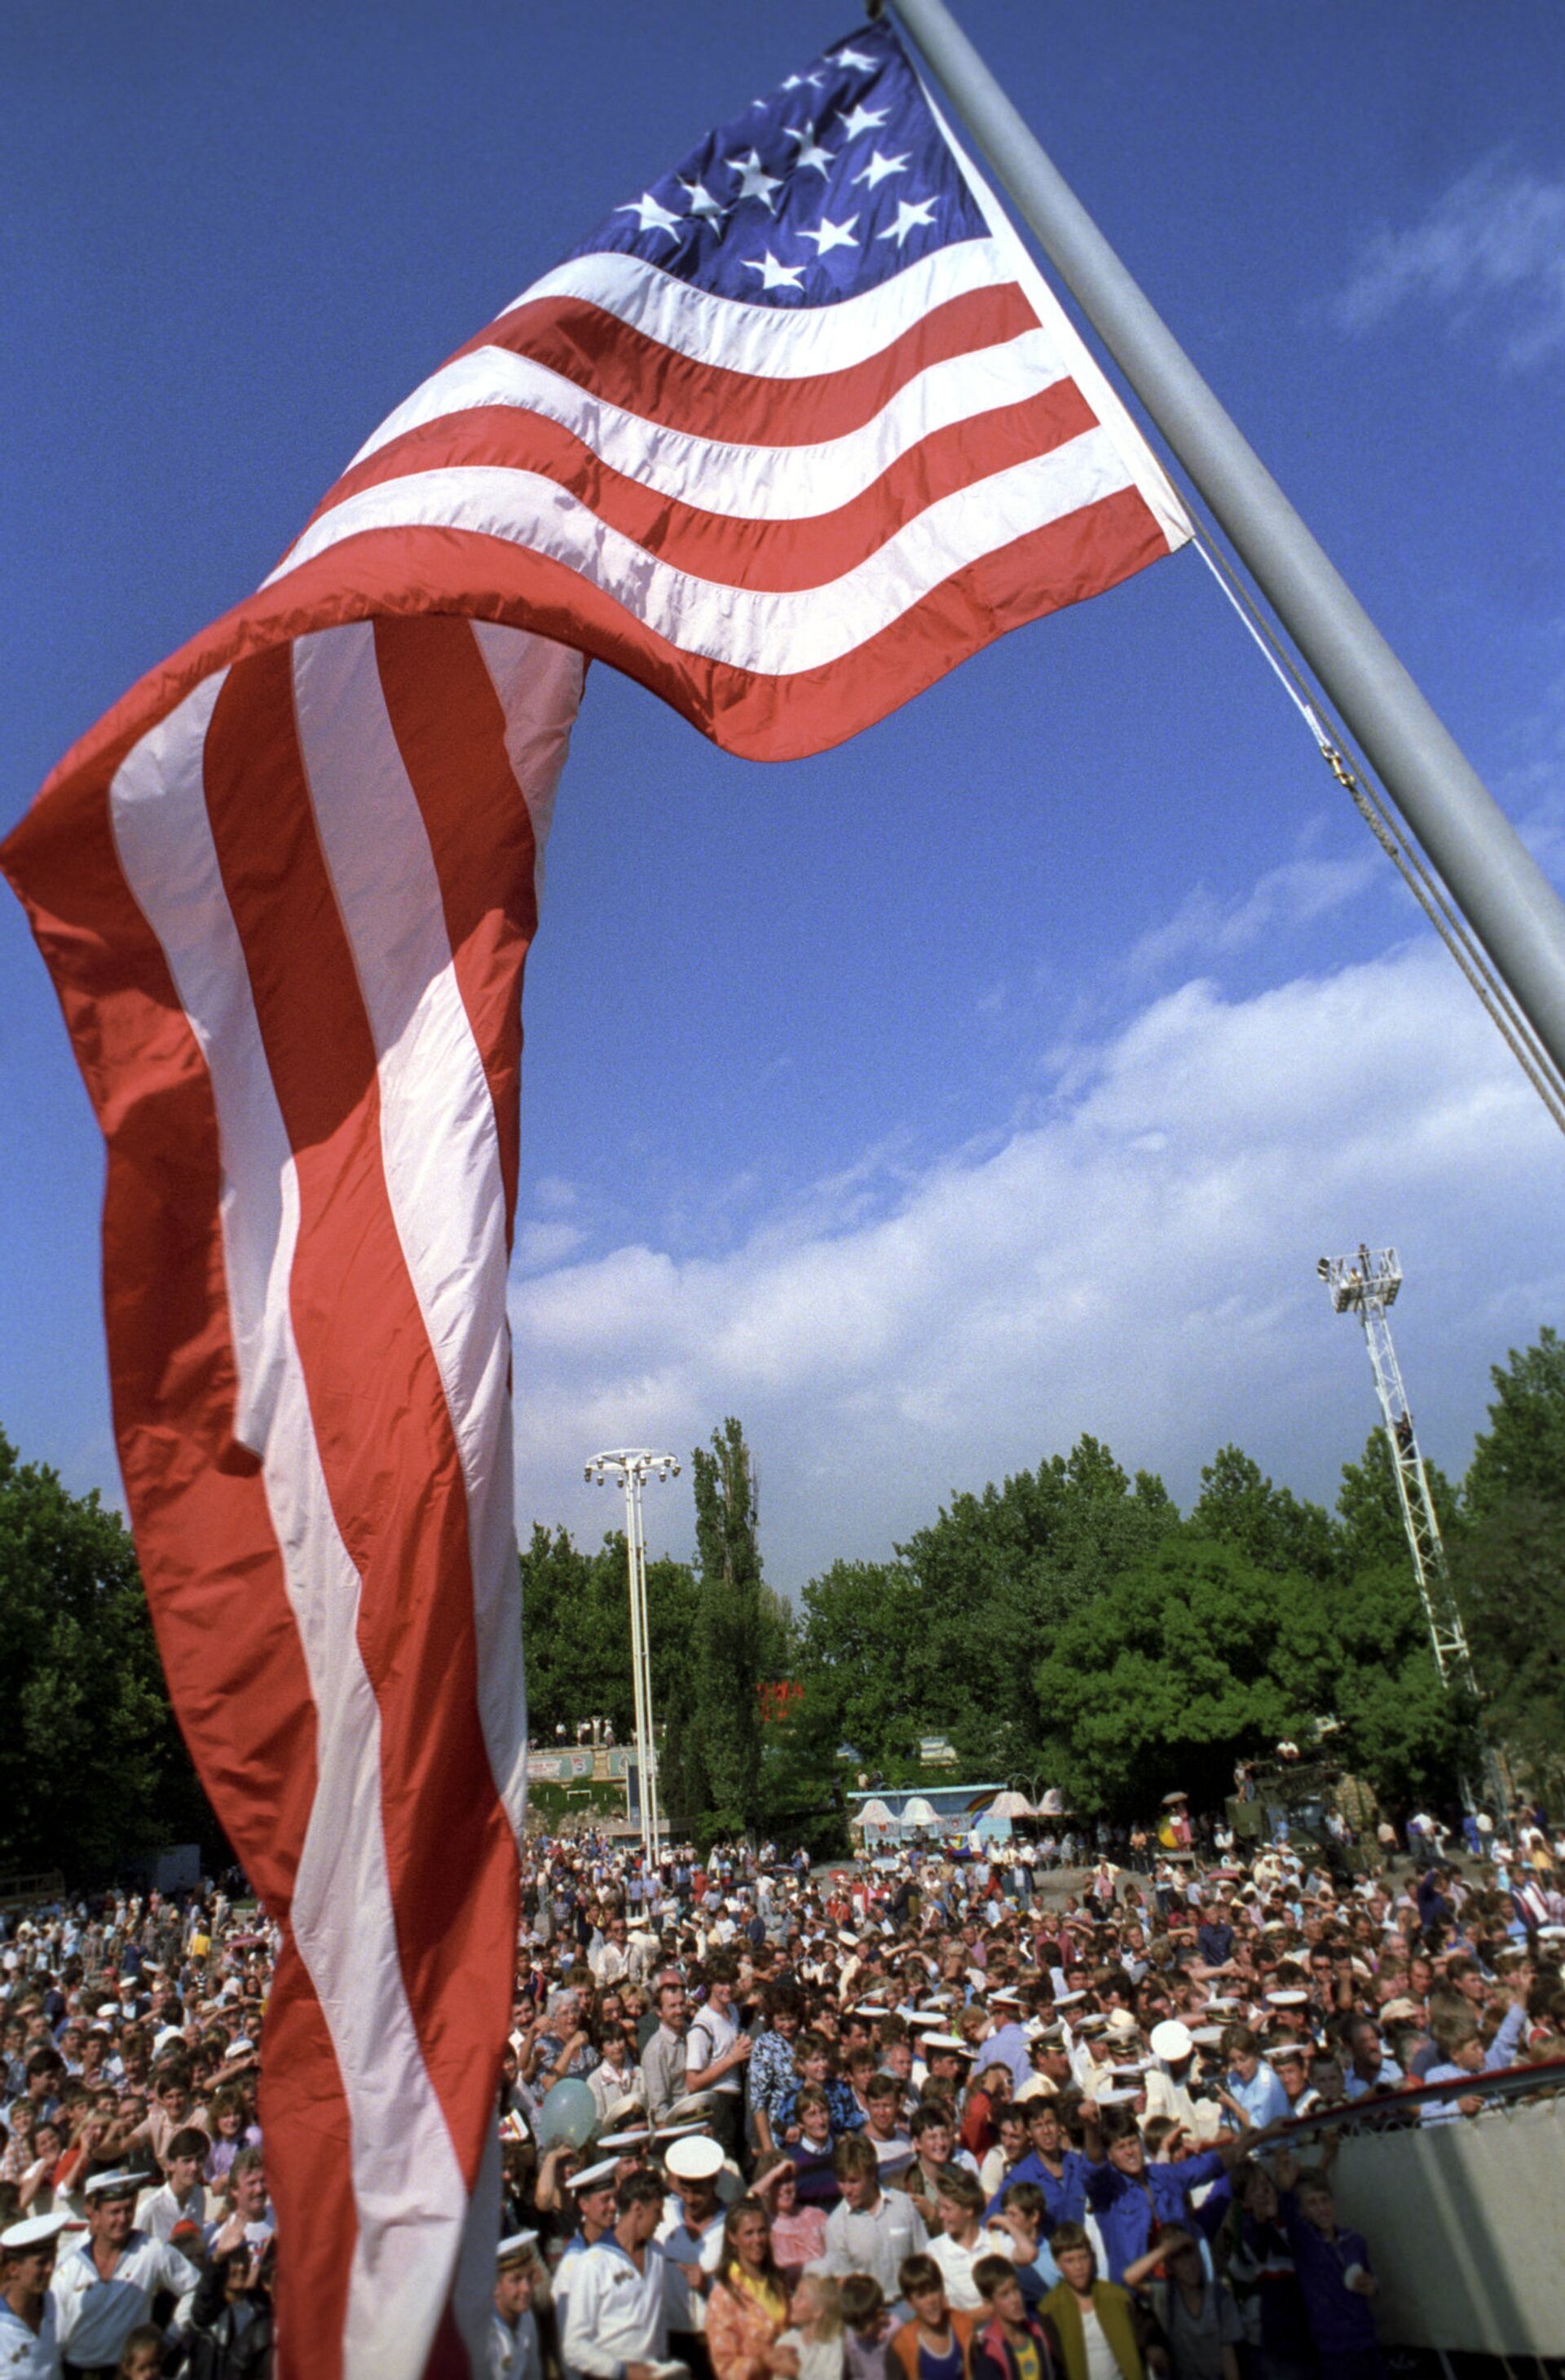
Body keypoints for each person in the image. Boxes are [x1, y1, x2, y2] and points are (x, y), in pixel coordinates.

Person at [51, 2170, 201, 2376]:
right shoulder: (71, 2264)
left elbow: (196, 2288)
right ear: (96, 2214)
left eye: (128, 2210)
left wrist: (169, 2338)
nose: (123, 2219)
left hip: (128, 2372)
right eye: (114, 2212)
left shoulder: (151, 2251)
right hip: (77, 2371)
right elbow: (53, 2329)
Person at [1272, 2153, 1383, 2379]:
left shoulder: (1354, 2240)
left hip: (1367, 2342)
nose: (1321, 2208)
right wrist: (1285, 2190)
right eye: (1312, 2203)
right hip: (1334, 2350)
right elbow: (1291, 2220)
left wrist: (1373, 2286)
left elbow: (1371, 2280)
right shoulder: (1307, 2245)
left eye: (1324, 2200)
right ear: (1302, 2211)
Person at [560, 2170, 673, 2380]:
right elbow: (574, 2346)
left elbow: (657, 2325)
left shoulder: (657, 2253)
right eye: (658, 2211)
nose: (662, 2219)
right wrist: (623, 2372)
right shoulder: (592, 2263)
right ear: (638, 2209)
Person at [815, 2135, 929, 2307]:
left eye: (854, 2181)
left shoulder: (903, 2205)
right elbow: (843, 2286)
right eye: (841, 2181)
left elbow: (924, 2256)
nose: (847, 2190)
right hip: (869, 2315)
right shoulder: (836, 2226)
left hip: (913, 2305)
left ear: (872, 2174)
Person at [1122, 2227, 1241, 2380]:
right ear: (1169, 2267)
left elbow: (1228, 2357)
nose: (1189, 2264)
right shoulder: (1165, 2294)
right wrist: (1166, 2248)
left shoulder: (1219, 2296)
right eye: (1179, 2258)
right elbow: (1129, 2277)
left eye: (1191, 2254)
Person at [1036, 2226, 1153, 2380]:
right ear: (1058, 2264)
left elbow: (1143, 2342)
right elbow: (1057, 2365)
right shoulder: (1050, 2309)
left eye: (1083, 2258)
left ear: (1092, 2257)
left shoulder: (1117, 2297)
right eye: (1070, 2261)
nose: (1079, 2267)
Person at [705, 2199, 796, 2380]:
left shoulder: (777, 2280)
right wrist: (763, 2362)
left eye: (762, 2231)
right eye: (749, 2233)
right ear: (732, 2237)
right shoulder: (724, 2295)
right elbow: (725, 2367)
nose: (757, 2240)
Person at [687, 1961, 753, 2166]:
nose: (727, 1989)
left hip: (737, 2100)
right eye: (721, 1983)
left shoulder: (732, 2010)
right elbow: (693, 2082)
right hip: (718, 2103)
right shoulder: (702, 2025)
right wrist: (732, 2058)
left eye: (731, 1982)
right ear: (710, 1986)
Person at [0, 2209, 75, 2379]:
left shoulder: (51, 2302)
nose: (50, 2269)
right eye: (41, 2263)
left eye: (52, 2259)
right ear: (13, 2269)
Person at [968, 2254, 1061, 2380]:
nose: (1015, 2299)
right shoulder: (991, 2352)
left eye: (1015, 2289)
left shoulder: (1039, 2335)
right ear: (989, 2303)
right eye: (1004, 2295)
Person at [887, 2254, 975, 2380]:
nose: (931, 2301)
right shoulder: (902, 2344)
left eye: (934, 2290)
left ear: (942, 2290)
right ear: (910, 2302)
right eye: (922, 2295)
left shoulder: (963, 2327)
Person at [490, 2233, 543, 2380]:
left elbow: (534, 2373)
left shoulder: (526, 2317)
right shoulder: (484, 2330)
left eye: (529, 2277)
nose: (526, 2288)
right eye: (515, 2280)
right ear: (495, 2287)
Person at [777, 2272, 844, 2380]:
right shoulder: (786, 2342)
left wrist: (798, 2372)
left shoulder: (833, 2345)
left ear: (818, 2311)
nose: (792, 2301)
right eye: (794, 2294)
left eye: (800, 2297)